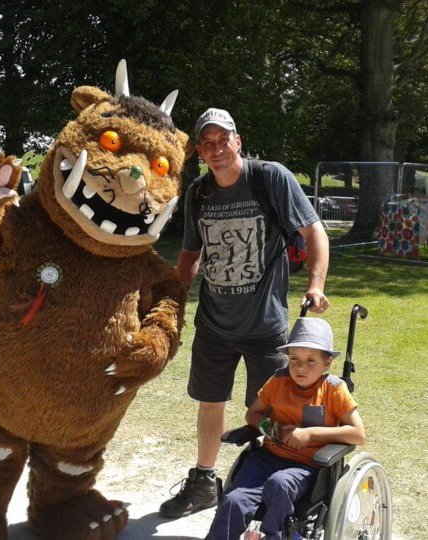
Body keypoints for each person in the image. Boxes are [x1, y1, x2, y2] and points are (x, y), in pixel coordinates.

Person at [159, 108, 330, 518]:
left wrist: (316, 284)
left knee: (269, 411)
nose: (216, 149)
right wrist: (172, 298)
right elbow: (190, 253)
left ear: (238, 141)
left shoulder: (269, 178)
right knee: (210, 402)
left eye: (223, 140)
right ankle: (204, 483)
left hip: (264, 327)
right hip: (214, 324)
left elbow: (314, 231)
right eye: (207, 143)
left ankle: (265, 487)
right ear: (200, 151)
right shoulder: (199, 193)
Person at [206, 317, 366, 539]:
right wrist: (272, 428)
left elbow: (358, 434)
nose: (300, 367)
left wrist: (311, 433)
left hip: (307, 466)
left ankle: (276, 535)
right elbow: (252, 414)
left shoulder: (333, 390)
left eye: (311, 360)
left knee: (279, 484)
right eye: (294, 359)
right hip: (266, 458)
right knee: (234, 500)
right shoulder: (279, 381)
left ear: (327, 363)